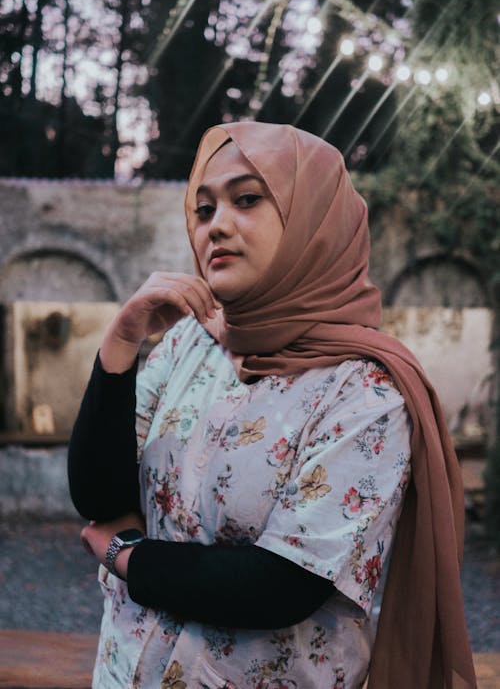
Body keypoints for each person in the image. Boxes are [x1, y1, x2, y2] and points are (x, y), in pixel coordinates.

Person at [68, 122, 476, 689]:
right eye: (204, 209)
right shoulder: (193, 343)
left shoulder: (365, 391)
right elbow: (99, 494)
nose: (217, 227)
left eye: (248, 199)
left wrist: (126, 557)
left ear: (316, 222)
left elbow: (280, 585)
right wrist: (121, 341)